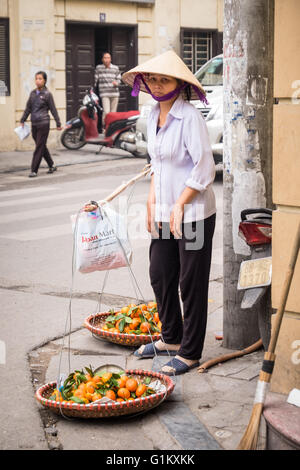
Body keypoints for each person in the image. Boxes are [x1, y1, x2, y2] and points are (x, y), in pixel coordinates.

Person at [122, 50, 216, 376]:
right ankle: (172, 337)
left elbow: (205, 169)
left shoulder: (190, 117)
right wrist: (152, 200)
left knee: (191, 282)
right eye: (153, 78)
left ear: (179, 83)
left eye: (165, 79)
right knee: (161, 273)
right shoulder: (151, 115)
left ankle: (190, 352)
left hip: (194, 214)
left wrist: (179, 203)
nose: (158, 85)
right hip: (164, 212)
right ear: (144, 82)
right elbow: (157, 165)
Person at [20, 71, 62, 178]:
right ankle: (51, 165)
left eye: (40, 79)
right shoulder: (33, 93)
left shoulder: (47, 94)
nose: (38, 81)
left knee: (39, 146)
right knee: (41, 145)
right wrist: (23, 119)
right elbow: (28, 108)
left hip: (44, 123)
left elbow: (53, 109)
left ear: (44, 81)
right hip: (34, 123)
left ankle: (34, 170)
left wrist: (58, 123)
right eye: (36, 79)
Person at [94, 52, 121, 128]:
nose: (106, 59)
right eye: (105, 58)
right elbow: (95, 80)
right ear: (102, 59)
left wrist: (117, 83)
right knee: (106, 112)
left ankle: (111, 128)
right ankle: (105, 128)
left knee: (113, 113)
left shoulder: (115, 68)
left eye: (108, 58)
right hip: (104, 93)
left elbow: (119, 79)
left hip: (114, 94)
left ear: (110, 59)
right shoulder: (99, 68)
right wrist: (92, 89)